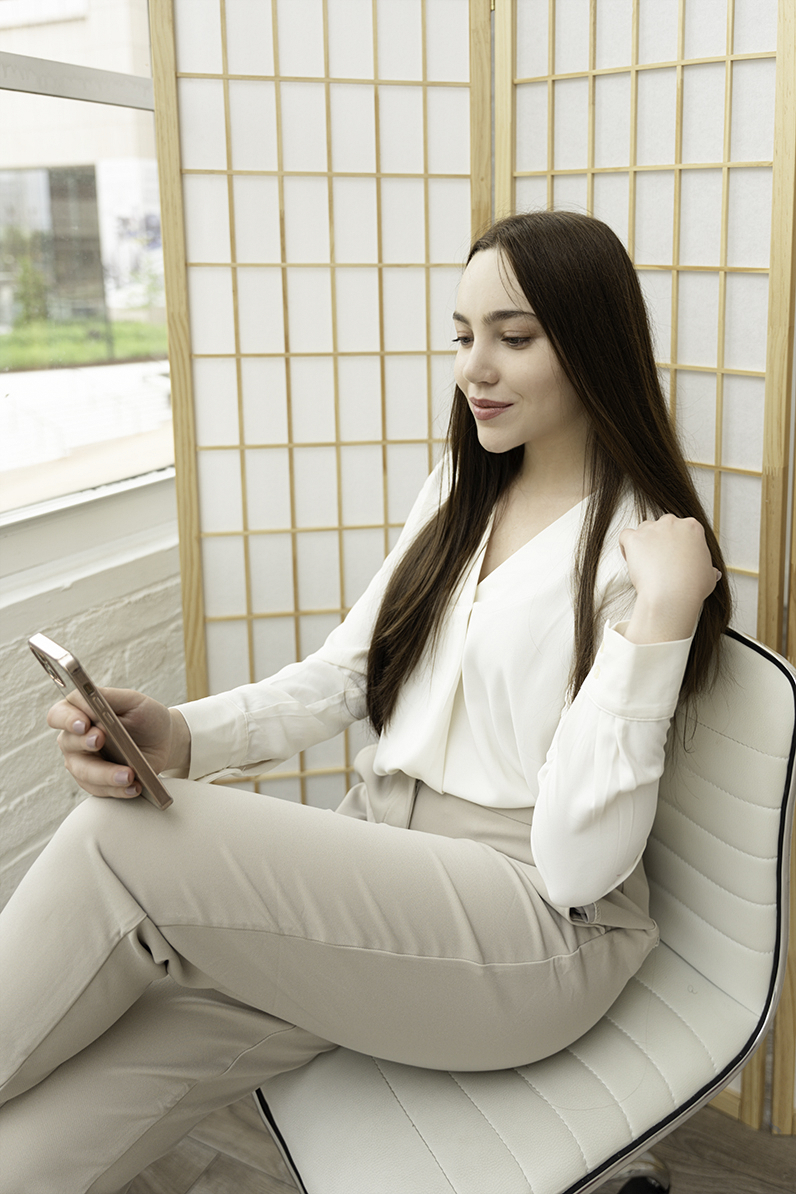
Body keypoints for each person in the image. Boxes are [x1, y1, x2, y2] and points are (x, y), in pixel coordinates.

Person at [0, 211, 729, 1193]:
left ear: (593, 343)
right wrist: (182, 736)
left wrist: (666, 616)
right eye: (462, 336)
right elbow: (348, 673)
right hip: (386, 891)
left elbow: (577, 864)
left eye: (514, 337)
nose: (477, 367)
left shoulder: (644, 556)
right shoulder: (459, 493)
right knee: (34, 1151)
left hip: (531, 929)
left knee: (117, 840)